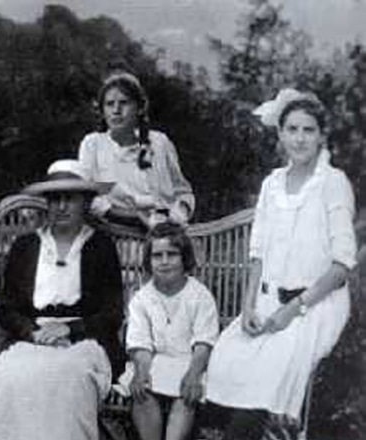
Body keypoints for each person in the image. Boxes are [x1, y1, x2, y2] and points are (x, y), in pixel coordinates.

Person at [205, 89, 357, 440]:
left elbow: (341, 267)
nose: (300, 139)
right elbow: (258, 254)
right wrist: (248, 307)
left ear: (321, 136)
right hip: (268, 300)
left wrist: (294, 309)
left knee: (272, 370)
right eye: (292, 129)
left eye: (308, 130)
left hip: (316, 304)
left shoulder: (332, 184)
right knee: (227, 360)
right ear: (281, 134)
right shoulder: (272, 185)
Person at [0, 159, 124, 440]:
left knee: (67, 377)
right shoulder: (26, 246)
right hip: (31, 341)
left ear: (85, 202)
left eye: (70, 199)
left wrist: (69, 329)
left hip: (86, 343)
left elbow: (112, 312)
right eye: (55, 199)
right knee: (10, 375)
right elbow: (8, 308)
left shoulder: (101, 247)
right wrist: (32, 332)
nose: (61, 207)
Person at [118, 221, 219, 440]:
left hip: (190, 363)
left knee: (186, 398)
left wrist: (193, 375)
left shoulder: (200, 296)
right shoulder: (142, 299)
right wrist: (141, 372)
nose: (164, 261)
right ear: (149, 260)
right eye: (157, 255)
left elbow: (204, 342)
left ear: (184, 258)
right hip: (155, 363)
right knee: (142, 393)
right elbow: (140, 343)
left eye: (171, 254)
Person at [78, 71, 195, 228]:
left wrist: (179, 214)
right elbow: (88, 199)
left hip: (166, 234)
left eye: (124, 103)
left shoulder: (160, 142)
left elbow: (183, 193)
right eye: (109, 104)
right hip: (118, 234)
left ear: (139, 108)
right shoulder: (93, 144)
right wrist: (138, 218)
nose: (116, 110)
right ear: (102, 110)